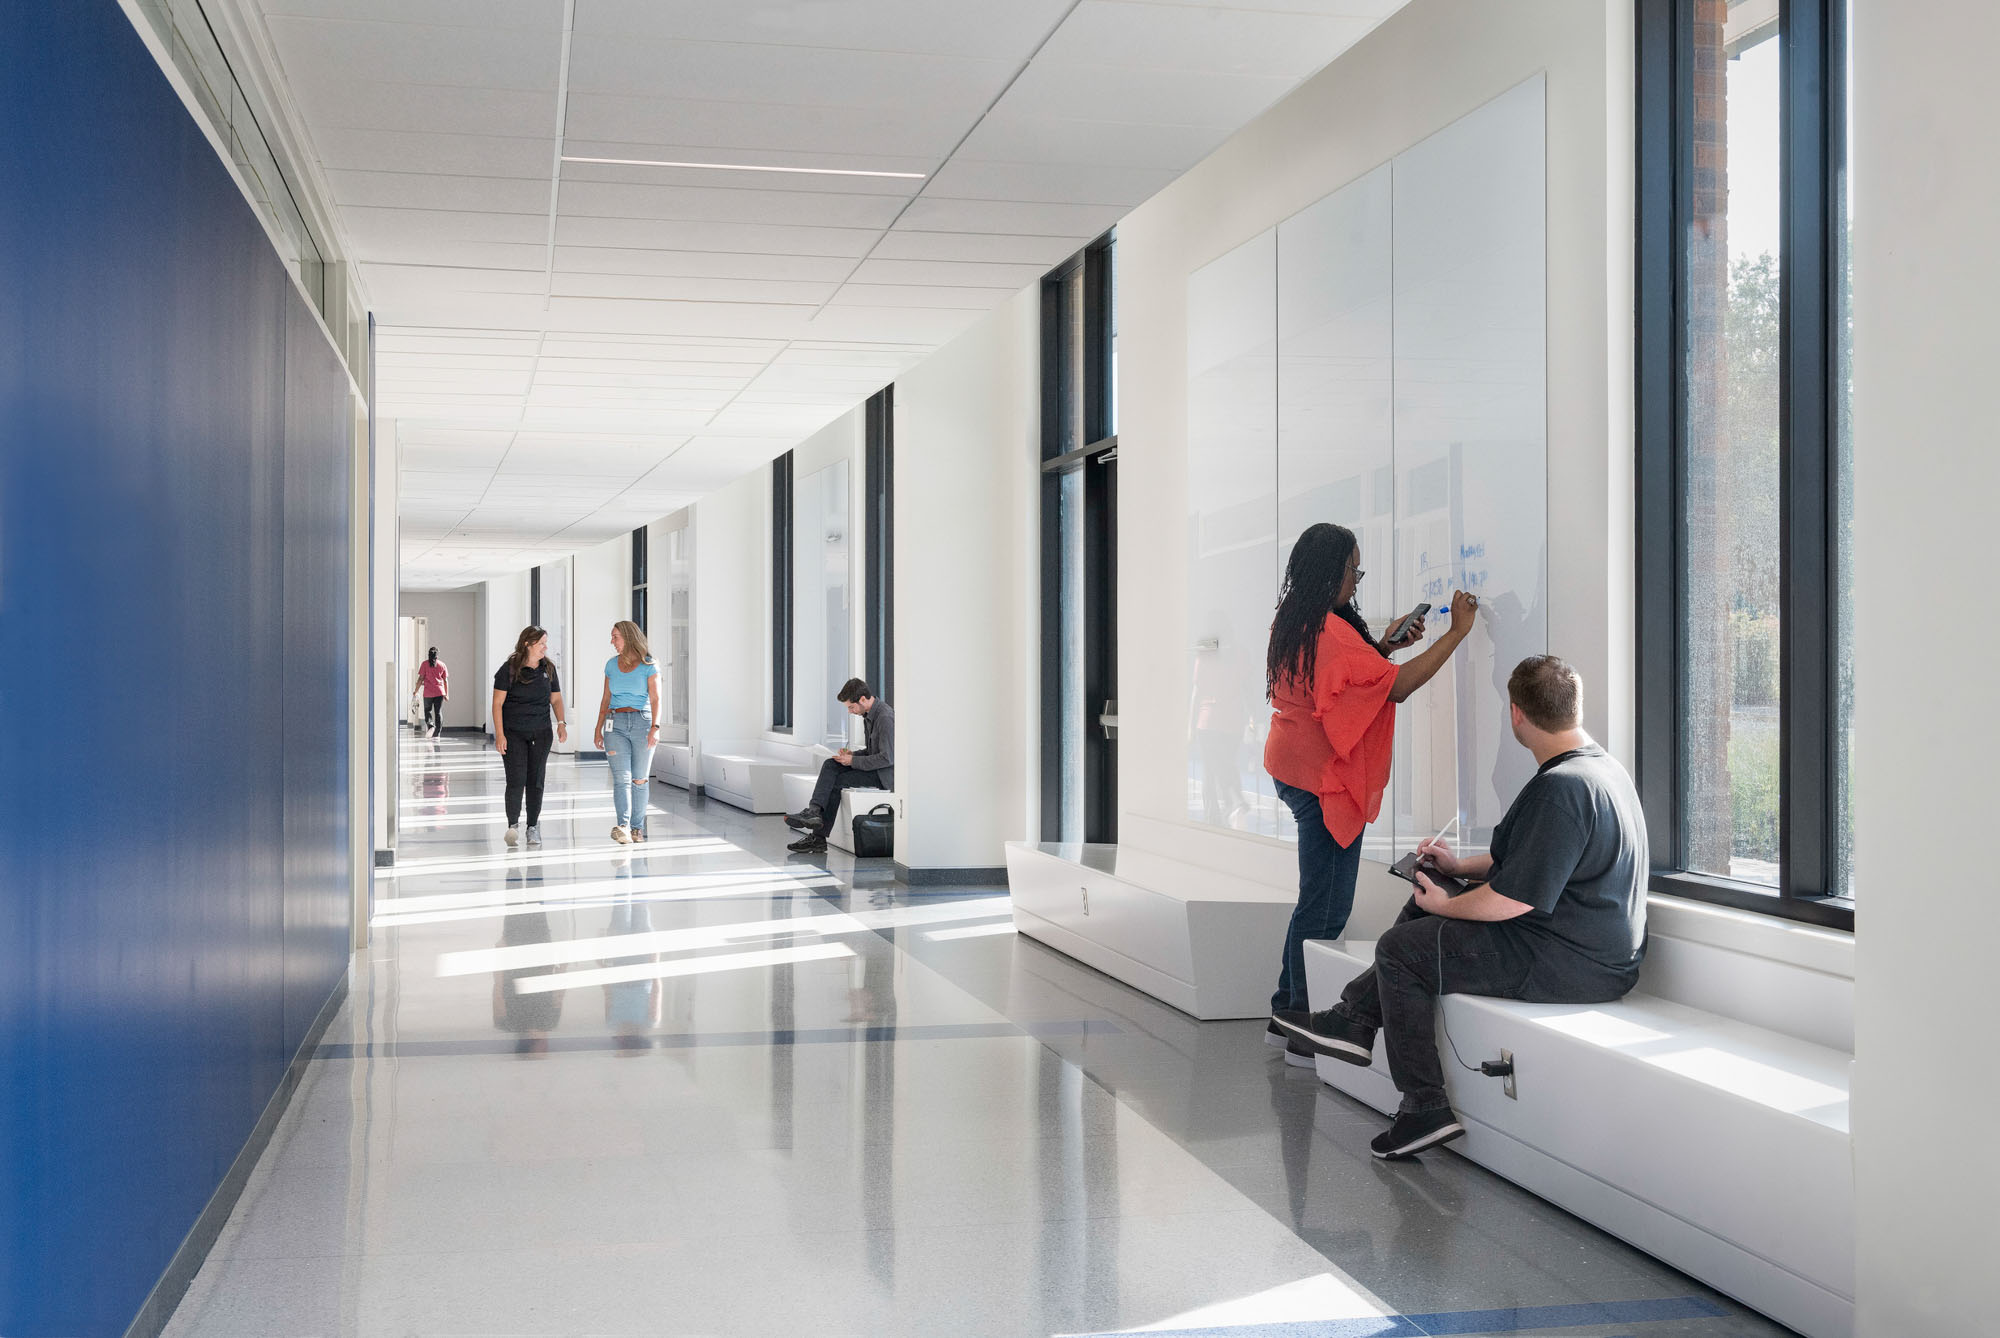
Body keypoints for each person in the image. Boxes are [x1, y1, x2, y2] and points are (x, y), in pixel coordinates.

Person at [1275, 656, 1649, 1160]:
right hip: (1586, 948)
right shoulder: (1600, 770)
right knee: (1423, 904)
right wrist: (1455, 867)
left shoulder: (1561, 789)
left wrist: (1447, 905)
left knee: (1401, 950)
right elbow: (1521, 863)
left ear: (1515, 714)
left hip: (1571, 961)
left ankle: (1422, 1105)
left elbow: (1512, 899)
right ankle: (1354, 1021)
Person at [1261, 523, 1477, 1069]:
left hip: (1294, 767)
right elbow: (1395, 688)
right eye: (1354, 570)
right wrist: (1457, 635)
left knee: (1319, 900)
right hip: (1321, 781)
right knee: (1325, 905)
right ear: (1330, 572)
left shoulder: (1298, 619)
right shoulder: (1330, 632)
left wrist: (1383, 647)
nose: (1357, 581)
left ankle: (1284, 1012)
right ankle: (1297, 1024)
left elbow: (1346, 681)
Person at [784, 678, 893, 854]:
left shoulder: (885, 717)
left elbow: (888, 758)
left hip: (882, 776)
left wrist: (853, 762)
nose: (850, 712)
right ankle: (814, 812)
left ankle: (818, 838)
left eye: (851, 707)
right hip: (873, 768)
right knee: (830, 764)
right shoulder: (868, 716)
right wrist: (852, 755)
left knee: (837, 781)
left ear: (863, 699)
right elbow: (872, 751)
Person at [490, 626, 568, 848]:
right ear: (527, 644)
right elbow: (497, 704)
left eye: (546, 643)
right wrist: (500, 734)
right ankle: (513, 826)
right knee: (516, 779)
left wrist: (561, 723)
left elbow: (556, 700)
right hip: (513, 733)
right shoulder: (509, 669)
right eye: (541, 643)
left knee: (536, 781)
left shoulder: (549, 668)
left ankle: (532, 827)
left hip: (541, 733)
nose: (545, 647)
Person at [593, 620, 661, 845]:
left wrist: (656, 728)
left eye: (615, 637)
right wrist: (598, 728)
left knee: (639, 780)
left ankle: (637, 828)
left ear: (628, 637)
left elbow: (656, 699)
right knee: (621, 779)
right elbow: (605, 698)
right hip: (615, 723)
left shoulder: (649, 665)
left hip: (643, 723)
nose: (612, 641)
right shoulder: (611, 665)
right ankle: (622, 826)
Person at [416, 647, 448, 737]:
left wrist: (415, 691)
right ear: (437, 656)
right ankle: (437, 733)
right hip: (440, 692)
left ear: (428, 655)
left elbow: (420, 679)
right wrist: (446, 694)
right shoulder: (442, 665)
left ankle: (431, 726)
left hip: (428, 693)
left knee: (427, 711)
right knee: (438, 712)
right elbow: (445, 681)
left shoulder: (424, 664)